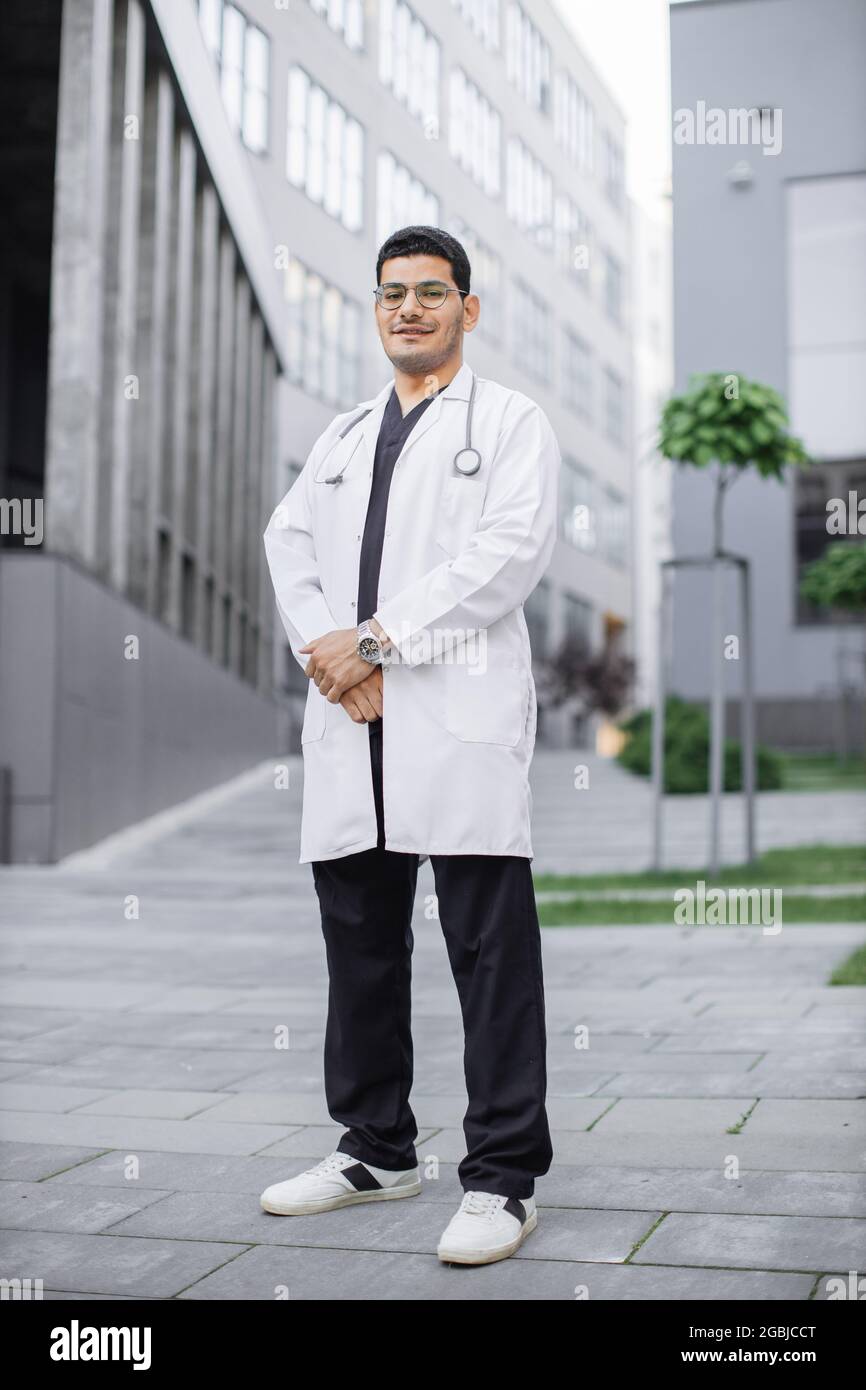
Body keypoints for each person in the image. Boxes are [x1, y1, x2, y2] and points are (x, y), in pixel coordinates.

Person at [261, 225, 561, 1266]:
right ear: (376, 308)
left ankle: (504, 1176)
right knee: (359, 948)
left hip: (456, 718)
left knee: (487, 953)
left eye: (431, 292)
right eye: (392, 293)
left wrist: (379, 637)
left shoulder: (511, 423)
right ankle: (377, 1147)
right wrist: (329, 655)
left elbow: (506, 553)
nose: (408, 309)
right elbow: (285, 543)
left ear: (466, 311)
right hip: (355, 720)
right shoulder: (343, 435)